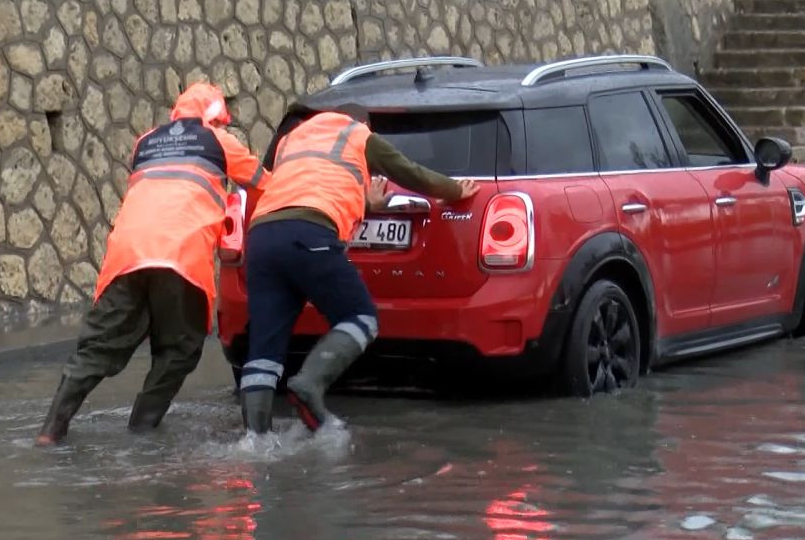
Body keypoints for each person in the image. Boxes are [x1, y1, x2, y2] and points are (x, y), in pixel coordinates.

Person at [35, 82, 270, 446]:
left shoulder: (146, 141)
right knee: (179, 349)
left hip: (126, 256)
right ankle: (142, 428)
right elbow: (265, 187)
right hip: (183, 257)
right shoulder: (220, 143)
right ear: (215, 118)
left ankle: (50, 431)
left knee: (96, 349)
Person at [238, 104, 479, 434]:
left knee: (264, 348)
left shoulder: (290, 140)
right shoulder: (357, 134)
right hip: (311, 233)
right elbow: (409, 172)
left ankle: (255, 441)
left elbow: (309, 183)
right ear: (363, 122)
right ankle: (309, 384)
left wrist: (367, 204)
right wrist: (454, 190)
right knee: (359, 317)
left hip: (262, 238)